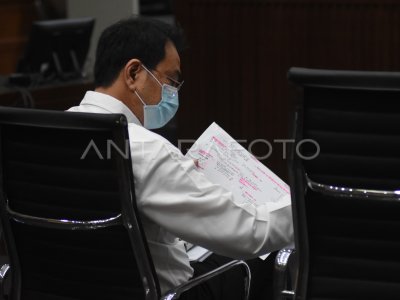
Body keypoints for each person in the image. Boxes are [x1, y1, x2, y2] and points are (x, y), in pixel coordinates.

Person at [68, 16, 293, 300]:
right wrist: (303, 204)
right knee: (270, 256)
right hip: (165, 293)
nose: (173, 93)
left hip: (69, 287)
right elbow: (251, 233)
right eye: (171, 80)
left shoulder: (47, 136)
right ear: (134, 73)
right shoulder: (145, 150)